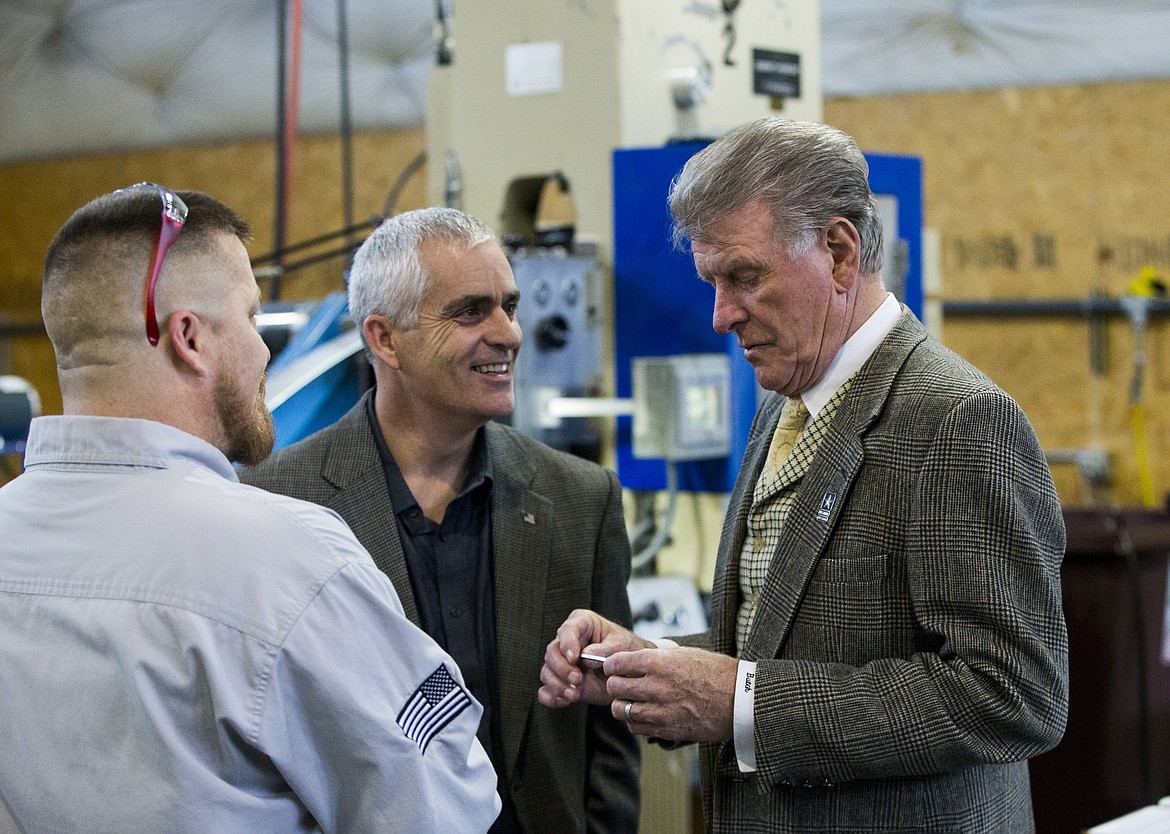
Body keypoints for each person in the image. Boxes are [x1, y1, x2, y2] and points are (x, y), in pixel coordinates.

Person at [539, 117, 1068, 833]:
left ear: (841, 251)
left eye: (744, 276)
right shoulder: (785, 404)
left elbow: (1013, 692)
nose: (722, 315)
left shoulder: (957, 421)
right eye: (712, 281)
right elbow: (779, 643)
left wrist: (742, 703)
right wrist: (652, 667)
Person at [0, 185, 501, 833]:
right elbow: (440, 806)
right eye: (252, 319)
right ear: (190, 338)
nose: (265, 352)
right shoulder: (287, 563)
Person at [240, 207, 640, 834]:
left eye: (509, 305)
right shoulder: (277, 504)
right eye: (471, 311)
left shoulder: (579, 501)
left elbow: (608, 736)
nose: (508, 333)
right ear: (384, 338)